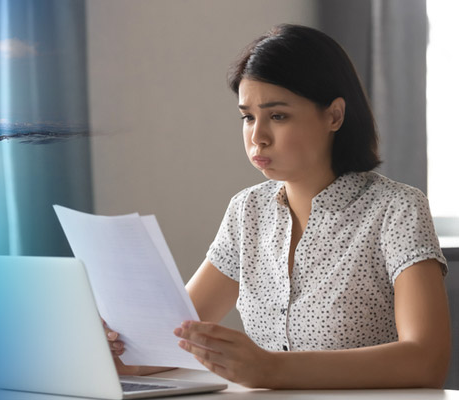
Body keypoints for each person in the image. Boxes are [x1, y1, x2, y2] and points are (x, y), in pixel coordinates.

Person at [103, 24, 450, 389]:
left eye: (278, 116)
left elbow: (426, 359)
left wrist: (272, 369)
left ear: (334, 115)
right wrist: (120, 353)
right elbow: (172, 340)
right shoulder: (247, 211)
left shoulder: (398, 209)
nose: (258, 137)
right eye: (248, 117)